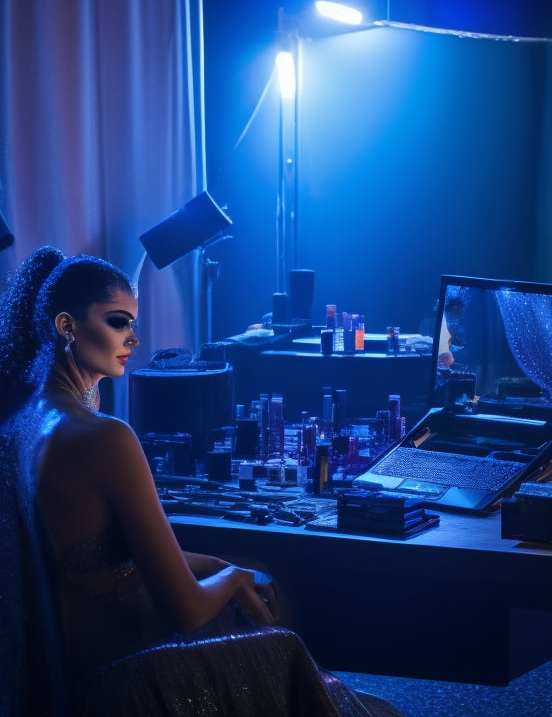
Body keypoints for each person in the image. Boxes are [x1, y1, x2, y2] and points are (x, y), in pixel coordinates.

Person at [0, 247, 400, 717]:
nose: (134, 338)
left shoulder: (22, 423)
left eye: (133, 323)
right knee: (292, 653)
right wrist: (231, 577)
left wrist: (214, 562)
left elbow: (99, 554)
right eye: (118, 322)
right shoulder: (105, 437)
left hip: (68, 676)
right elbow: (186, 611)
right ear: (66, 326)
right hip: (121, 684)